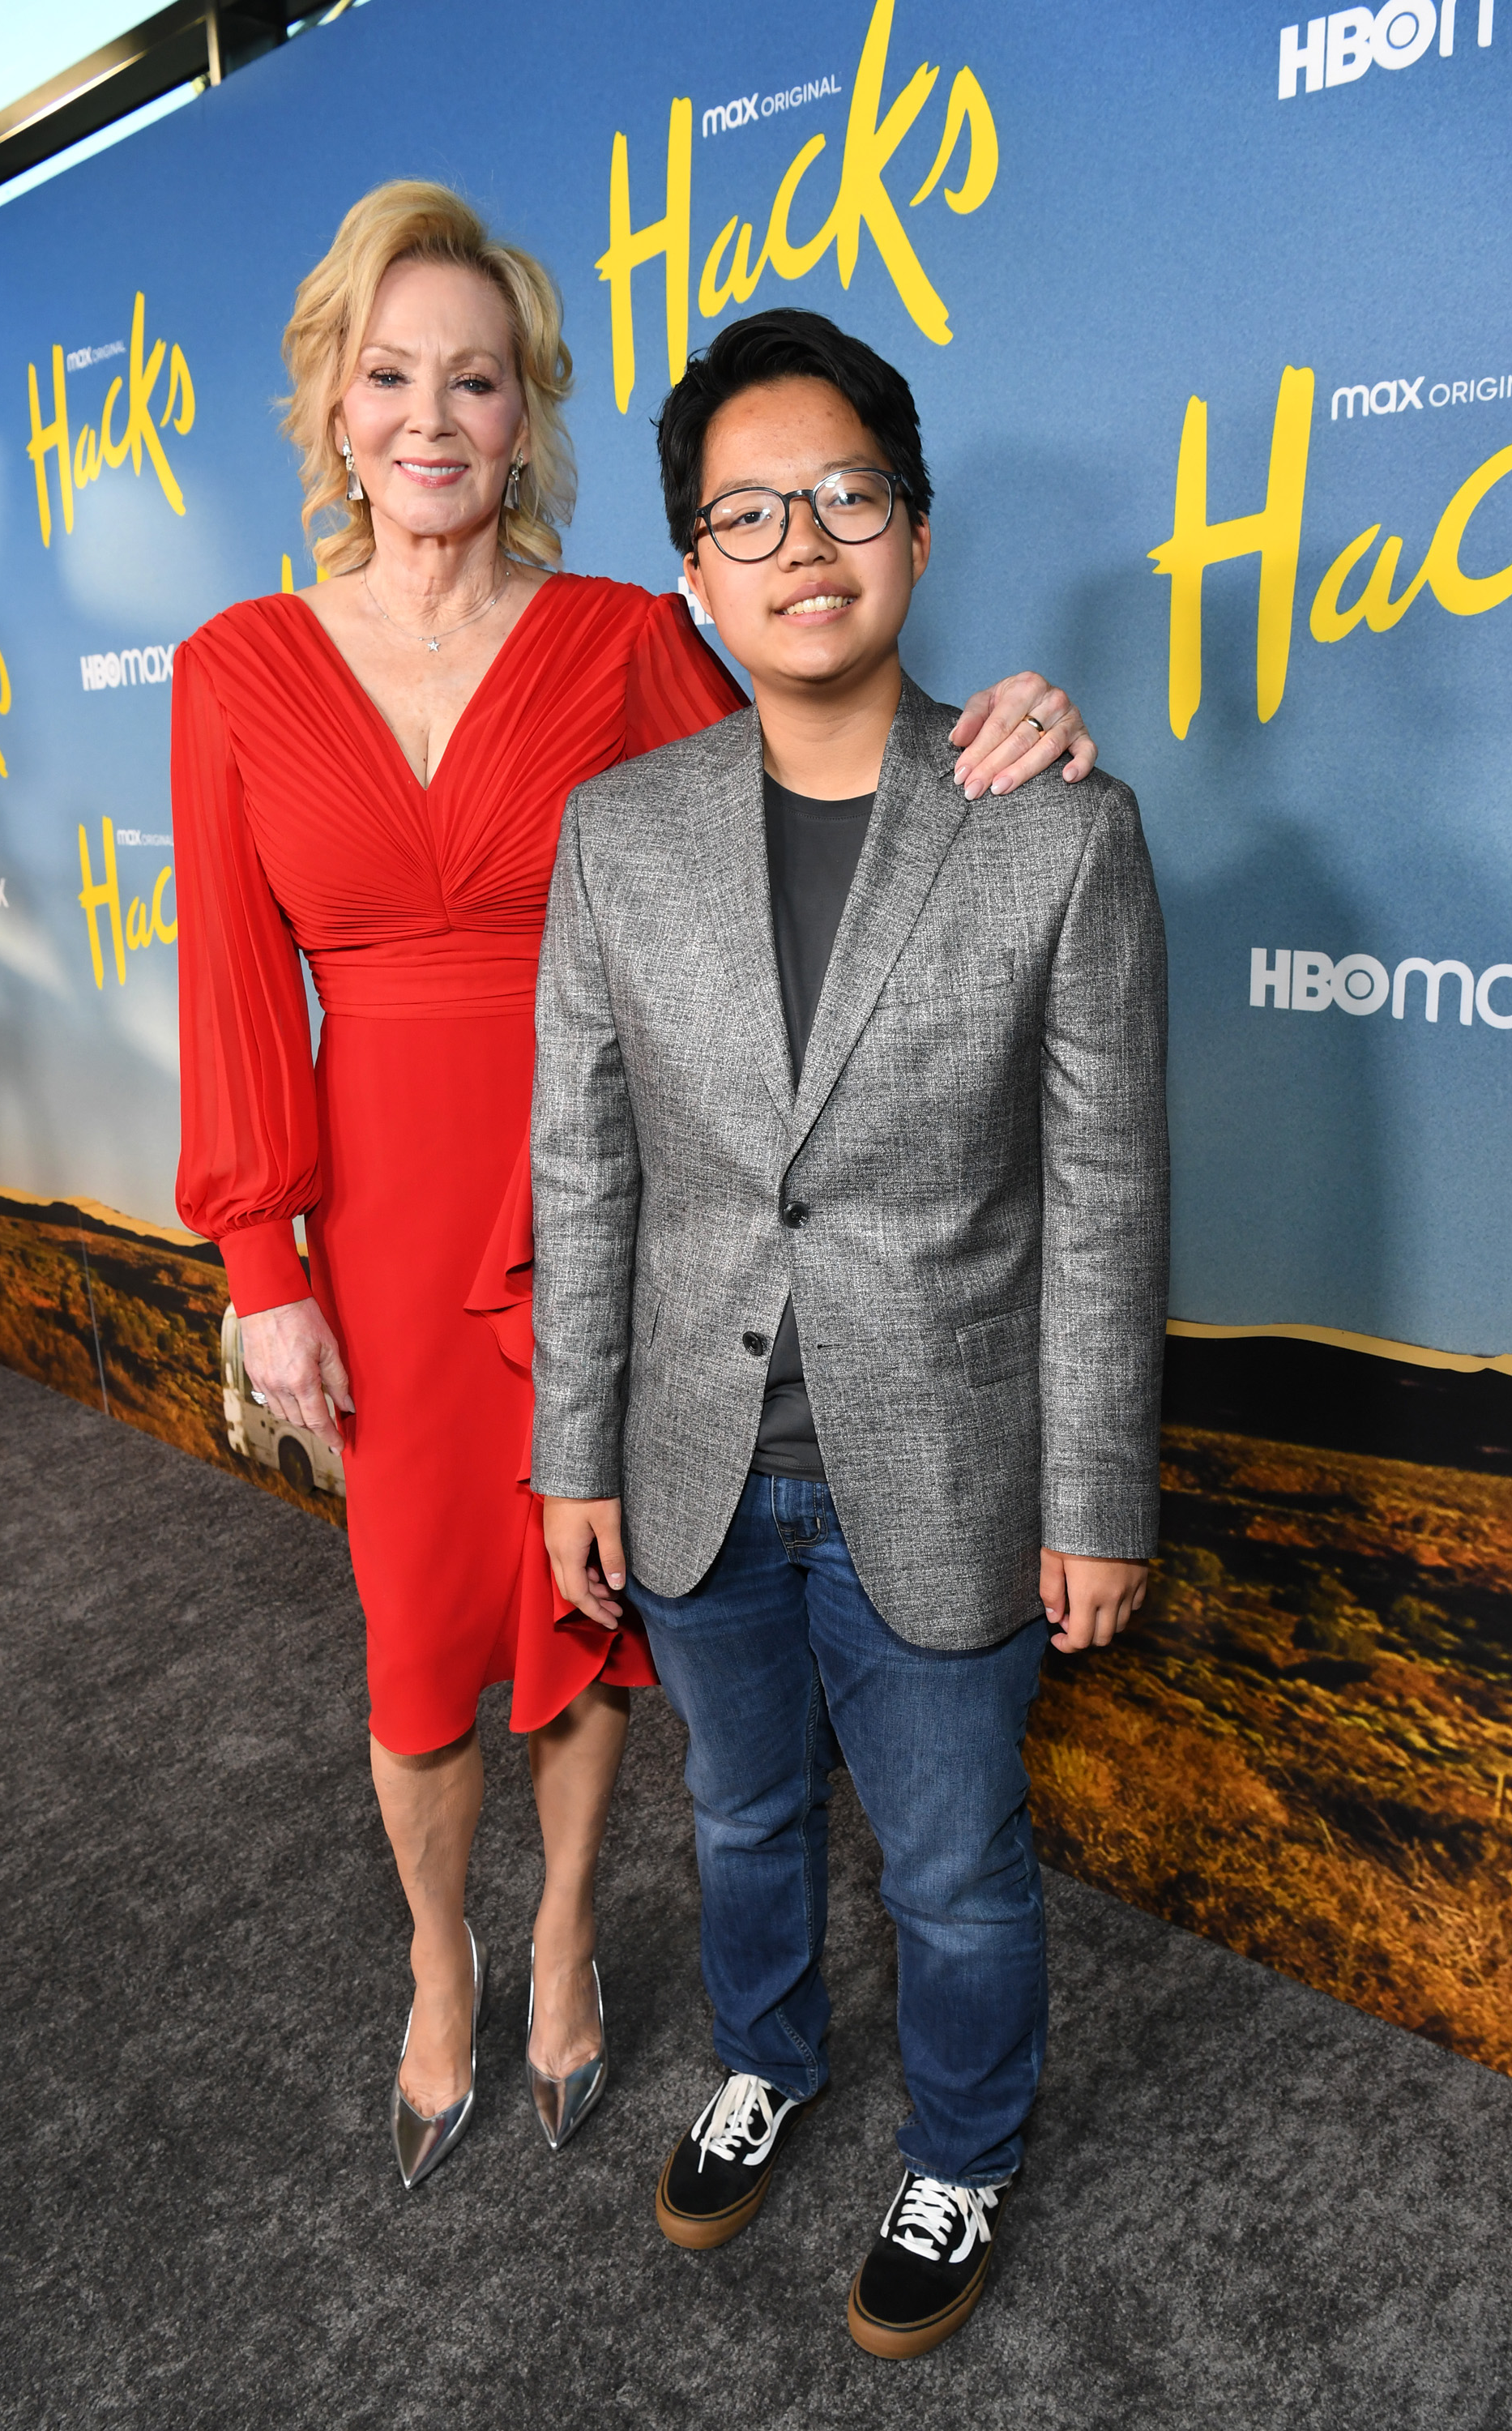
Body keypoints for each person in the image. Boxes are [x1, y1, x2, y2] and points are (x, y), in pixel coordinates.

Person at [172, 183, 1105, 2192]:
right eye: (391, 374)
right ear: (335, 406)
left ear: (529, 421)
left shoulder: (621, 635)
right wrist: (266, 1258)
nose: (433, 416)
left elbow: (820, 774)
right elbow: (237, 989)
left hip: (614, 1228)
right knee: (421, 1651)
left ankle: (571, 1937)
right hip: (389, 1232)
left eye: (478, 380)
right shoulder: (235, 667)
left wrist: (1015, 732)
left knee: (584, 1615)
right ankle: (440, 1966)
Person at [532, 309, 1168, 2352]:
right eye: (747, 515)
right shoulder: (619, 838)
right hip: (696, 1469)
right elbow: (589, 1175)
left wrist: (1099, 1496)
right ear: (695, 576)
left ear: (911, 525)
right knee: (731, 1815)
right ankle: (771, 2059)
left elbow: (1103, 1197)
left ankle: (965, 2152)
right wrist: (572, 1450)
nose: (803, 544)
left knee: (960, 1871)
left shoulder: (1055, 819)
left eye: (846, 497)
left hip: (953, 1466)